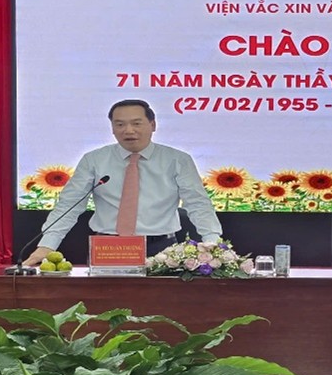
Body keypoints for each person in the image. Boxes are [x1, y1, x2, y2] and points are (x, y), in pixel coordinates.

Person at [23, 100, 223, 265]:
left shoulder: (177, 160)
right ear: (112, 128)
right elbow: (69, 205)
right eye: (119, 124)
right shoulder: (94, 160)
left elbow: (198, 204)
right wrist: (47, 245)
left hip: (162, 249)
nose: (128, 130)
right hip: (108, 248)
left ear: (153, 125)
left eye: (136, 123)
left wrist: (213, 243)